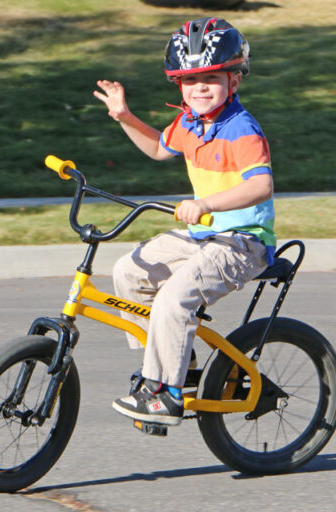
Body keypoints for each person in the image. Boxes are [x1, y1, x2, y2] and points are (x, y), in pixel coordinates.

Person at [93, 17, 276, 426]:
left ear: (234, 80)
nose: (200, 88)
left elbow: (261, 185)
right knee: (129, 272)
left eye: (211, 77)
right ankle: (180, 368)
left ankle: (165, 393)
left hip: (241, 241)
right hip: (202, 236)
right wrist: (123, 116)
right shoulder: (190, 122)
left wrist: (207, 203)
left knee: (176, 298)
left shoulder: (241, 128)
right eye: (190, 81)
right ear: (179, 85)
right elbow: (159, 149)